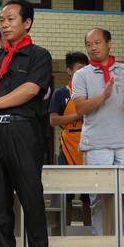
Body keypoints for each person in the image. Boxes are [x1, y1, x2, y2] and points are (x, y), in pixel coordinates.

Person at [0, 0, 52, 247]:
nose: (4, 25)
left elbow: (30, 89)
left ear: (27, 23)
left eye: (10, 19)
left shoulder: (39, 55)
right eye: (1, 20)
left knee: (32, 198)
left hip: (23, 132)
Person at [72, 28, 124, 247]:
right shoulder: (81, 75)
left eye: (97, 42)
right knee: (99, 197)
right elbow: (80, 108)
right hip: (96, 143)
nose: (93, 47)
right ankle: (102, 246)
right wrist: (103, 96)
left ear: (109, 43)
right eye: (89, 44)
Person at [48, 51, 91, 227]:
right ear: (69, 71)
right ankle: (63, 231)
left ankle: (90, 232)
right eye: (79, 68)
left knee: (89, 193)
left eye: (86, 68)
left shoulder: (91, 93)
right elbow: (53, 120)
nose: (83, 72)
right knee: (66, 192)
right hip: (68, 146)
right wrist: (77, 115)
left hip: (89, 143)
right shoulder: (61, 93)